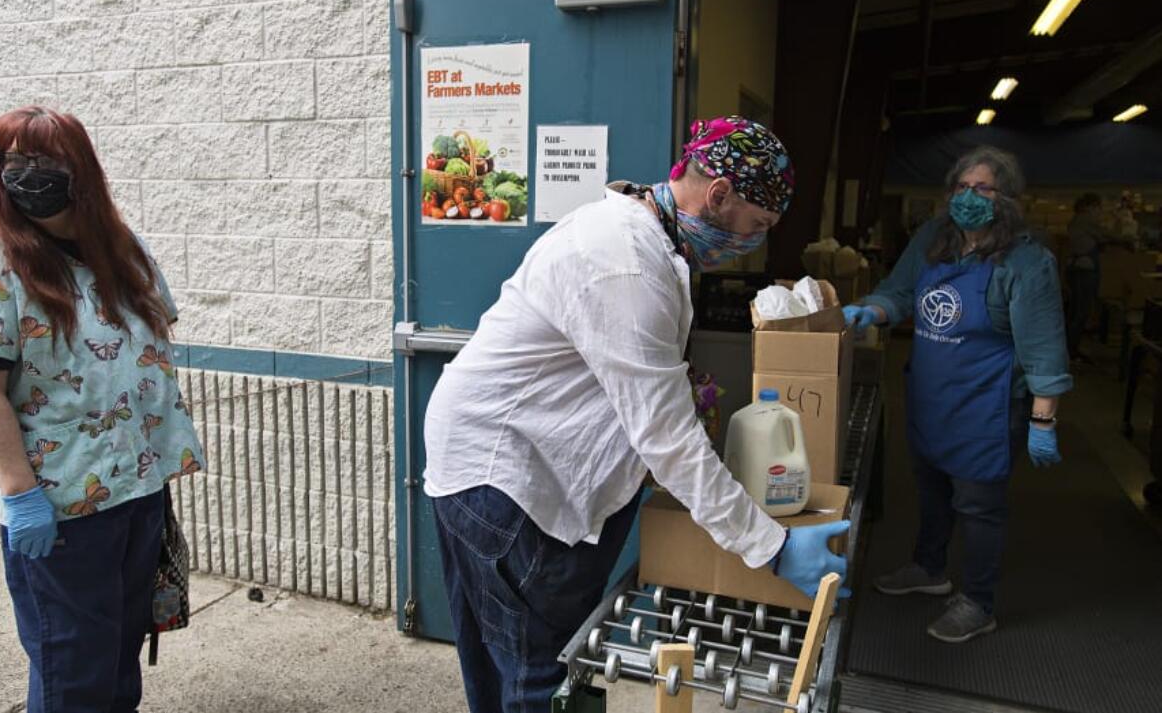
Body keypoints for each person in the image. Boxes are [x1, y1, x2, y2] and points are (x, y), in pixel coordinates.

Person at [422, 116, 850, 712]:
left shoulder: (643, 236)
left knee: (508, 662)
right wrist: (772, 547)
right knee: (541, 674)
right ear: (719, 195)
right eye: (758, 225)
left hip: (496, 458)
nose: (755, 241)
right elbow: (667, 439)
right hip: (507, 478)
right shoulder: (628, 259)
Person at [0, 106, 205, 712]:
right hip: (60, 509)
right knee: (73, 673)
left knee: (118, 663)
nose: (28, 175)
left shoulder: (120, 251)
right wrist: (20, 496)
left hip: (137, 492)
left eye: (45, 161)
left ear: (80, 169)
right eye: (13, 162)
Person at [843, 146, 1071, 644]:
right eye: (961, 188)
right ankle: (929, 569)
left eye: (982, 188)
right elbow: (899, 292)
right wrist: (869, 310)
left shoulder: (1026, 263)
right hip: (932, 397)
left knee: (979, 506)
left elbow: (1044, 349)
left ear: (1006, 198)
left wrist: (1043, 422)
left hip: (986, 407)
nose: (968, 197)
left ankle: (977, 601)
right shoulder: (934, 239)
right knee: (931, 490)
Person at [1065, 193, 1121, 361]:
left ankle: (1069, 348)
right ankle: (1070, 350)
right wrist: (1128, 238)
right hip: (1083, 270)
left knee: (1076, 311)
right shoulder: (1084, 219)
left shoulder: (1079, 221)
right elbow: (1107, 234)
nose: (1099, 211)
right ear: (1089, 207)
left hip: (1078, 270)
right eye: (1098, 207)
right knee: (1080, 312)